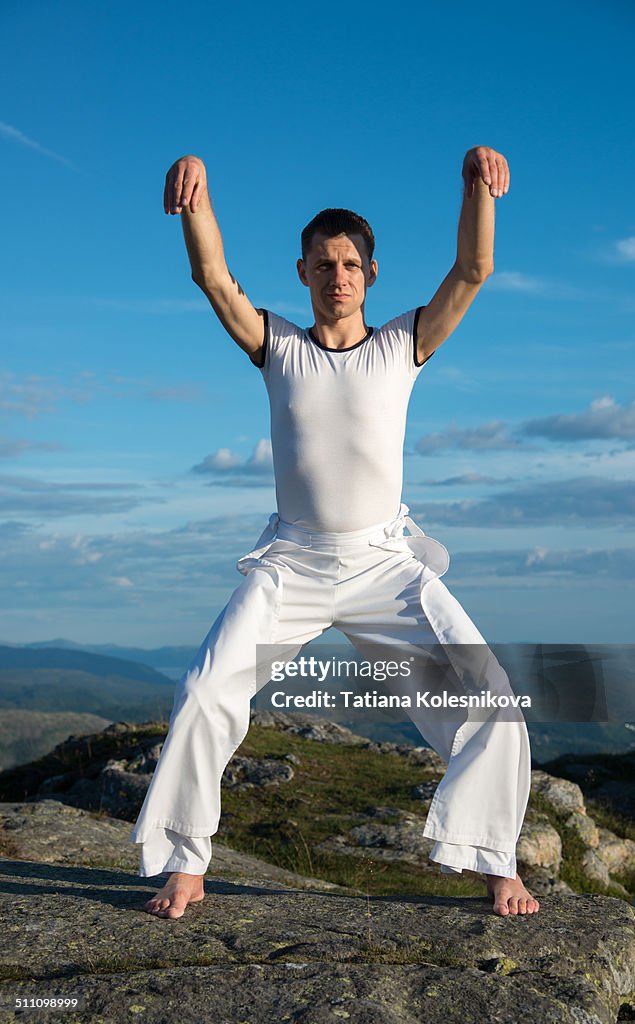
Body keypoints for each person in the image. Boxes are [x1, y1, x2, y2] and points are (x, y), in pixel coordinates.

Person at [132, 147, 540, 920]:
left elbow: (474, 269)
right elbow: (213, 279)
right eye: (324, 263)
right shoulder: (277, 347)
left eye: (351, 263)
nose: (338, 275)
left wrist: (473, 184)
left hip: (386, 565)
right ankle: (186, 864)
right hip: (293, 563)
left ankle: (495, 864)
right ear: (303, 273)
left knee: (492, 700)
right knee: (201, 692)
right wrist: (197, 192)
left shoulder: (403, 345)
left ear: (371, 276)